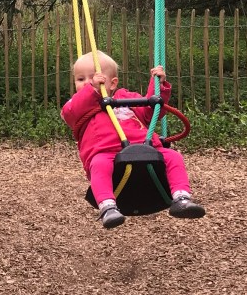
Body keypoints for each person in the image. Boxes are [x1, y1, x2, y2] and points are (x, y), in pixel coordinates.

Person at [61, 51, 206, 229]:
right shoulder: (78, 106)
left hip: (145, 149)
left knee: (173, 156)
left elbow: (151, 111)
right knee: (99, 164)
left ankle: (181, 198)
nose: (87, 83)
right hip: (106, 153)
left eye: (93, 77)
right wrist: (93, 91)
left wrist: (158, 86)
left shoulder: (126, 98)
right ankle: (107, 207)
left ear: (112, 83)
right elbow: (69, 113)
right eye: (80, 79)